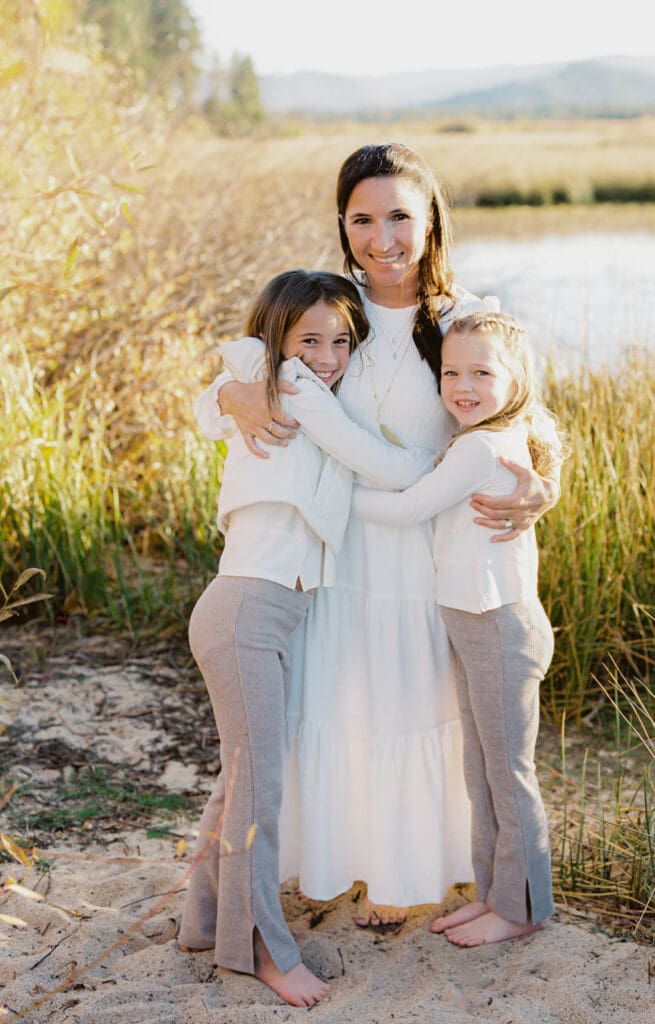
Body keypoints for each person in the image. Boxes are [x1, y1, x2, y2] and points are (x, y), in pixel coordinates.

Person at [194, 143, 561, 926]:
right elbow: (233, 389)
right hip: (334, 557)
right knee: (338, 705)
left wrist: (541, 483)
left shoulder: (465, 315)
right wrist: (228, 392)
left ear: (430, 222)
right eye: (362, 218)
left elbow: (524, 415)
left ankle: (415, 878)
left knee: (414, 711)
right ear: (343, 224)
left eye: (399, 215)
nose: (381, 236)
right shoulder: (331, 307)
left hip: (426, 558)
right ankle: (339, 868)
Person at [177, 269, 434, 1007]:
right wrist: (449, 458)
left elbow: (213, 406)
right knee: (259, 791)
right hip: (245, 611)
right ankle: (259, 950)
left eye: (342, 340)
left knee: (239, 781)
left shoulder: (287, 389)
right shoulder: (290, 386)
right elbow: (384, 464)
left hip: (263, 612)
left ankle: (203, 922)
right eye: (310, 338)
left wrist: (225, 393)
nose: (326, 354)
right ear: (281, 339)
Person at [351, 311, 567, 945]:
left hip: (500, 626)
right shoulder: (488, 437)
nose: (462, 385)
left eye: (481, 372)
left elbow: (412, 507)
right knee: (479, 769)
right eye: (450, 372)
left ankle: (523, 909)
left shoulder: (479, 446)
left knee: (507, 773)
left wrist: (330, 496)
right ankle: (491, 893)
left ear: (515, 378)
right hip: (475, 627)